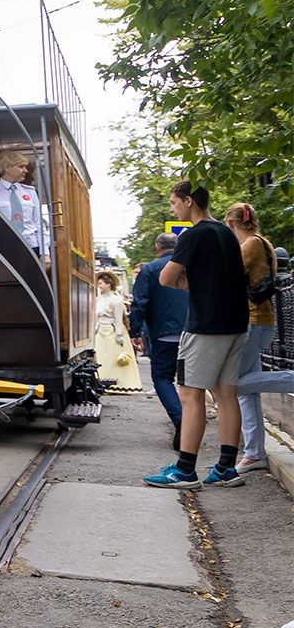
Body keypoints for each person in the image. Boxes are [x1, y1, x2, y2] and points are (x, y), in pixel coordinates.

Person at [144, 181, 248, 490]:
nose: (173, 208)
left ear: (189, 201)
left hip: (205, 325)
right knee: (226, 394)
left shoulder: (194, 234)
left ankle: (184, 469)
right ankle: (226, 468)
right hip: (235, 321)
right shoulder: (225, 232)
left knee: (189, 394)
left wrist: (184, 283)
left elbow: (165, 277)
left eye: (174, 203)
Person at [224, 203, 294, 473]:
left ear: (231, 224)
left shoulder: (250, 244)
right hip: (261, 321)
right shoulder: (262, 241)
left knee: (232, 385)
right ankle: (254, 453)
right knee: (246, 391)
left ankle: (290, 379)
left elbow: (229, 274)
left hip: (253, 321)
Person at [131, 232, 190, 447]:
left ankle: (181, 419)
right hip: (193, 332)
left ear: (158, 247)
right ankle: (191, 424)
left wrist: (135, 332)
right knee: (190, 381)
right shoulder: (189, 266)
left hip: (163, 334)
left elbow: (140, 302)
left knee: (162, 378)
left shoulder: (150, 269)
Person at [0, 150, 48, 256]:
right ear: (7, 168)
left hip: (31, 246)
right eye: (21, 166)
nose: (25, 171)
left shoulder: (30, 192)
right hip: (5, 248)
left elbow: (38, 223)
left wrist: (45, 253)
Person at [92, 270, 143, 393]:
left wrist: (119, 334)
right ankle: (102, 380)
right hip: (100, 331)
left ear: (108, 284)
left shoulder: (116, 300)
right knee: (101, 357)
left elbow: (118, 319)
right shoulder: (99, 299)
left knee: (114, 357)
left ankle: (119, 383)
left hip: (112, 330)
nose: (99, 286)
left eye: (101, 284)